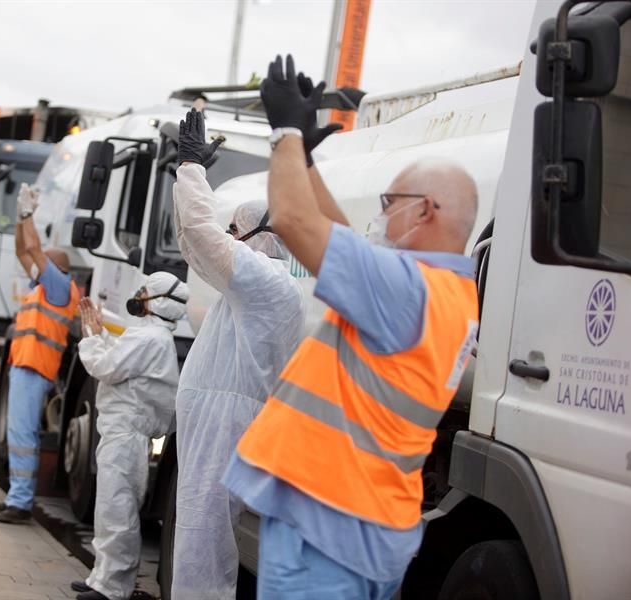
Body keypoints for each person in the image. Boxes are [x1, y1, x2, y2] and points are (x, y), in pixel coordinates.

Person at [223, 55, 481, 600]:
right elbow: (346, 240)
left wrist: (286, 133)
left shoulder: (403, 288)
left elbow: (294, 223)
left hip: (326, 529)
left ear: (424, 212)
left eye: (390, 203)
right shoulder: (446, 293)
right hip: (365, 526)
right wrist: (308, 162)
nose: (381, 214)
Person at [170, 108, 306, 599]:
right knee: (197, 539)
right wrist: (183, 179)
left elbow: (204, 238)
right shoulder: (254, 284)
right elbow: (196, 243)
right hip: (220, 415)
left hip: (229, 419)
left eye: (235, 229)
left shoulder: (268, 283)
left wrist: (192, 171)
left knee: (203, 546)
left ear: (256, 234)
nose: (228, 237)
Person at [70, 273, 189, 600]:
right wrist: (101, 334)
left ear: (157, 301)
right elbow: (121, 362)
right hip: (121, 432)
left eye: (144, 292)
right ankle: (103, 577)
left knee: (117, 509)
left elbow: (107, 367)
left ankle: (112, 588)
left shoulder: (150, 338)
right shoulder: (149, 336)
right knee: (110, 507)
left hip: (126, 435)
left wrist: (92, 338)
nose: (138, 296)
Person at [0, 183, 79, 525]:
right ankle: (15, 496)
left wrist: (28, 216)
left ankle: (21, 502)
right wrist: (20, 220)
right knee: (17, 433)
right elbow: (23, 252)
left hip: (34, 369)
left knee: (23, 435)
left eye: (43, 265)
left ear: (56, 269)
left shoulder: (58, 287)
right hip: (24, 367)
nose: (34, 268)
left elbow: (34, 250)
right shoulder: (45, 285)